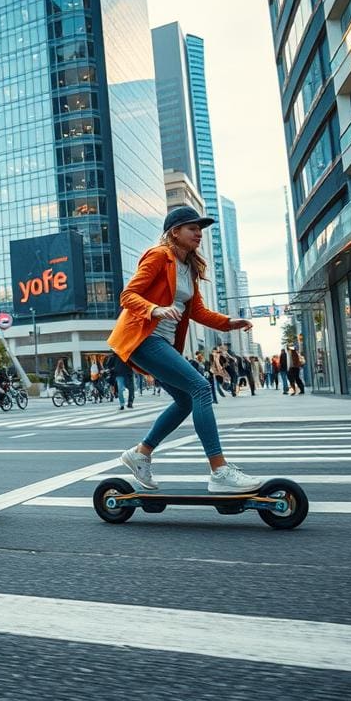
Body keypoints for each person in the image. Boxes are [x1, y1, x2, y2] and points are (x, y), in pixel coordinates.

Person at [109, 206, 261, 493]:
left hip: (162, 343)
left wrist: (229, 323)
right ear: (174, 232)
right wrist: (155, 309)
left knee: (186, 401)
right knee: (201, 388)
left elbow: (198, 312)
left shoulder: (189, 268)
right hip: (144, 337)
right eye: (193, 228)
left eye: (200, 229)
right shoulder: (158, 256)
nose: (199, 233)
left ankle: (140, 453)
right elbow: (128, 295)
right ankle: (219, 471)